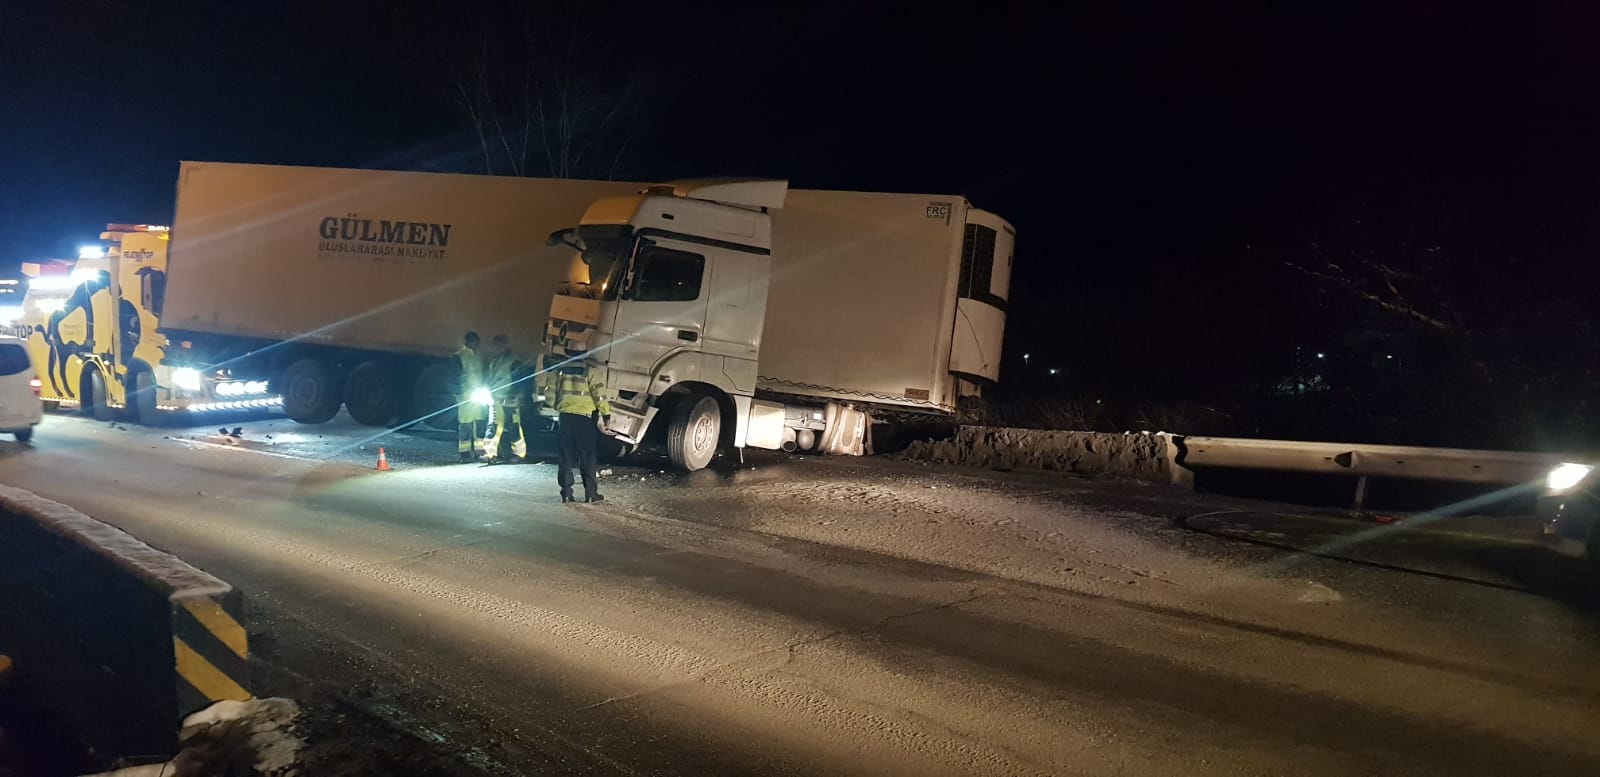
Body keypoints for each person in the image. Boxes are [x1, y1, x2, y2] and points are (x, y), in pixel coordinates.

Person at [541, 347, 611, 502]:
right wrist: (606, 413)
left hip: (565, 418)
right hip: (585, 420)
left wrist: (560, 406)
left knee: (565, 457)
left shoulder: (558, 371)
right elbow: (599, 395)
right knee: (587, 457)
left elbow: (549, 396)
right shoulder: (591, 371)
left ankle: (566, 493)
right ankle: (591, 494)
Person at [484, 334, 526, 462]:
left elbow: (519, 382)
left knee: (513, 428)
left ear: (504, 347)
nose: (494, 349)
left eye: (497, 346)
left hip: (510, 401)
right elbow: (491, 379)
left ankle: (518, 454)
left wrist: (516, 396)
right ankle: (490, 454)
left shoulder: (513, 362)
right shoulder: (494, 362)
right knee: (493, 426)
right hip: (495, 400)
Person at [454, 331, 487, 462]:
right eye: (475, 342)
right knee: (465, 425)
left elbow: (483, 374)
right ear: (469, 342)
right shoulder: (459, 356)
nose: (478, 344)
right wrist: (458, 392)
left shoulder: (479, 356)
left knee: (479, 424)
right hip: (465, 396)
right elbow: (454, 376)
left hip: (478, 394)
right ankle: (465, 454)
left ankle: (479, 452)